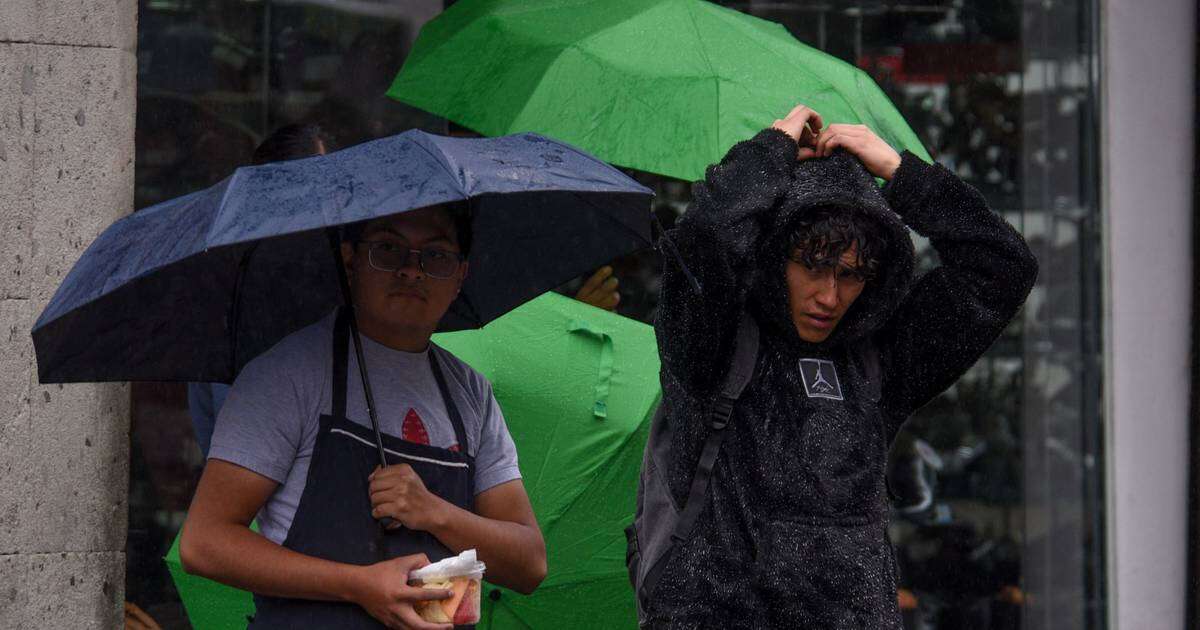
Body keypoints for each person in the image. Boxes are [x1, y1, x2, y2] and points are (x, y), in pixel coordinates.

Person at [642, 104, 1037, 628]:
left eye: (852, 274)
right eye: (813, 263)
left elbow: (1003, 267)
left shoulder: (879, 358)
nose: (829, 295)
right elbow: (703, 244)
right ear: (776, 252)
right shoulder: (712, 343)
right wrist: (769, 153)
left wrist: (903, 174)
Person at [179, 201, 547, 628]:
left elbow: (529, 563)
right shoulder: (286, 374)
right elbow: (204, 543)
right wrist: (358, 584)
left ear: (461, 274)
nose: (412, 271)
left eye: (436, 255)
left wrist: (434, 511)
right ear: (350, 259)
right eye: (388, 249)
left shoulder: (471, 395)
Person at [187, 123, 332, 458]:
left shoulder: (344, 300)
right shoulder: (230, 311)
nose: (321, 212)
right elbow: (220, 441)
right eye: (308, 194)